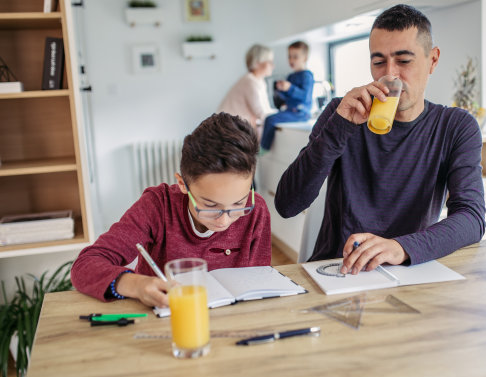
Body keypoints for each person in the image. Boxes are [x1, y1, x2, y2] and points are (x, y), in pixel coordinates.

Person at [274, 4, 485, 275]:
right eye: (378, 62)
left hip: (410, 271)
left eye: (404, 60)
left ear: (432, 60)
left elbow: (471, 218)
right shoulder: (342, 113)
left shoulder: (455, 127)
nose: (390, 75)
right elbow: (287, 204)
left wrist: (398, 247)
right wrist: (338, 128)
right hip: (339, 271)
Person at [71, 113, 271, 307]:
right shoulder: (157, 206)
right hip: (166, 319)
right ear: (183, 184)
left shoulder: (256, 210)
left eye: (238, 203)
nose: (224, 221)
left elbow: (258, 283)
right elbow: (85, 265)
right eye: (210, 205)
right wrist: (136, 285)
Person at [260, 40, 314, 151]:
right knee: (269, 118)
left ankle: (264, 148)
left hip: (301, 113)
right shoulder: (290, 76)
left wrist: (290, 88)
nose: (291, 60)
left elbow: (305, 96)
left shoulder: (307, 76)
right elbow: (287, 98)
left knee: (270, 120)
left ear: (305, 58)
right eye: (289, 56)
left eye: (295, 57)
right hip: (290, 111)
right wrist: (280, 90)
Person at [217, 44, 276, 140]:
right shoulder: (250, 82)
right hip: (229, 129)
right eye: (269, 62)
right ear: (257, 63)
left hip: (237, 128)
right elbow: (260, 112)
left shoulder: (259, 81)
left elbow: (265, 110)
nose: (273, 66)